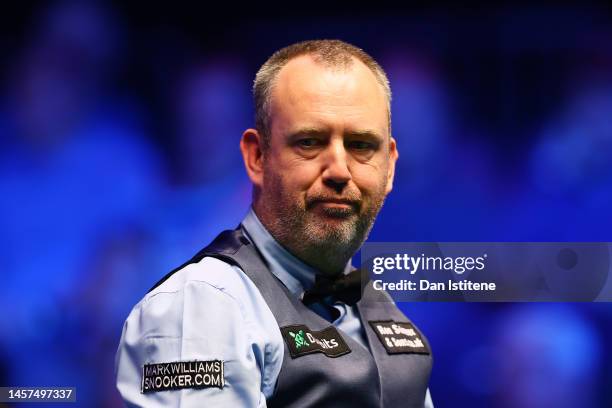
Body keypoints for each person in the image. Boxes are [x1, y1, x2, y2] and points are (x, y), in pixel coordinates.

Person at [115, 39, 434, 407]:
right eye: (309, 142)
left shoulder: (381, 309)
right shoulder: (203, 304)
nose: (339, 171)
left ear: (389, 166)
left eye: (361, 146)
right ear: (256, 157)